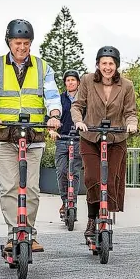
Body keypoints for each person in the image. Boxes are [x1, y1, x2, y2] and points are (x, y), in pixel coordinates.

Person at [0, 19, 62, 253]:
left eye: (26, 43)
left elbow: (52, 95)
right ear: (9, 42)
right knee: (11, 187)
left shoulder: (43, 67)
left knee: (31, 188)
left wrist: (54, 115)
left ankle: (29, 234)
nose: (21, 47)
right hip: (3, 136)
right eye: (17, 43)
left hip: (33, 136)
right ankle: (14, 234)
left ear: (31, 44)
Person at [70, 46, 138, 238]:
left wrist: (132, 124)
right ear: (98, 65)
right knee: (93, 178)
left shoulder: (126, 85)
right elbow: (77, 105)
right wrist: (78, 121)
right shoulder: (87, 80)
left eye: (111, 63)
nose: (107, 67)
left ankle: (104, 215)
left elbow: (131, 112)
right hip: (91, 137)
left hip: (116, 138)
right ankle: (92, 218)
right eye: (104, 63)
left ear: (116, 65)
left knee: (109, 180)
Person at [48, 70, 83, 219]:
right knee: (62, 171)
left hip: (78, 140)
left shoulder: (83, 100)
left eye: (73, 80)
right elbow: (49, 117)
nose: (70, 82)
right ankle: (65, 202)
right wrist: (51, 130)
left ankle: (72, 203)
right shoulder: (59, 100)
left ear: (78, 82)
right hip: (62, 139)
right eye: (67, 80)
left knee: (74, 173)